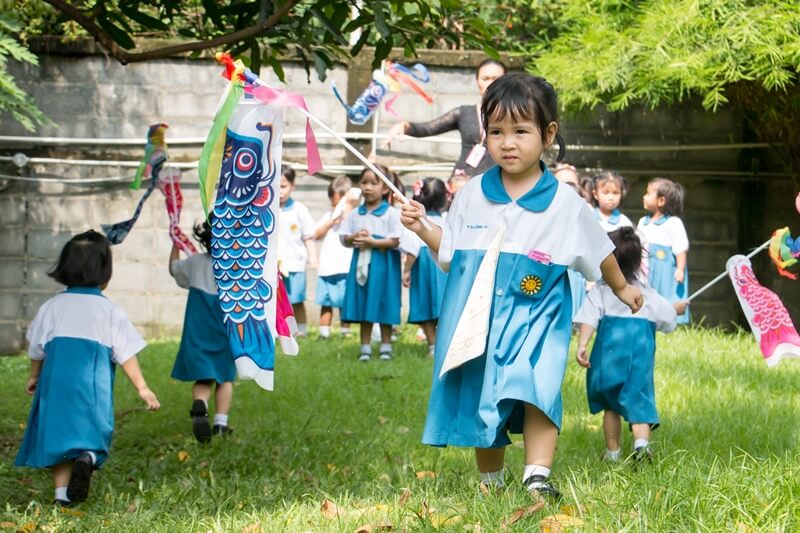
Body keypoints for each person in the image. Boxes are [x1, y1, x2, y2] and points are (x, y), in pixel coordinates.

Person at [399, 73, 643, 499]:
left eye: (520, 131)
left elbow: (598, 249)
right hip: (481, 320)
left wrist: (621, 288)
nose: (507, 143)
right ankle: (490, 481)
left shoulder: (565, 203)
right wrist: (423, 227)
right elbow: (453, 252)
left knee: (537, 388)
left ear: (547, 134)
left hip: (537, 320)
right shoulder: (473, 193)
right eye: (496, 132)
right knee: (483, 392)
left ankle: (537, 474)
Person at [15, 230, 160, 506]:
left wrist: (35, 375)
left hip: (56, 383)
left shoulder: (52, 306)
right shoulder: (110, 311)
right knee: (95, 430)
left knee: (57, 434)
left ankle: (61, 496)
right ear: (106, 273)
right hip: (93, 383)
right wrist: (143, 388)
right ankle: (89, 457)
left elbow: (36, 347)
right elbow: (125, 353)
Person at [574, 227, 688, 461]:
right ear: (638, 262)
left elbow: (588, 318)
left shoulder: (602, 291)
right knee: (640, 401)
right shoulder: (646, 293)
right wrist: (675, 309)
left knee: (611, 406)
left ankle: (613, 452)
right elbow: (667, 320)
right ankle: (642, 446)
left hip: (608, 357)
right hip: (639, 356)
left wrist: (582, 344)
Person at [169, 218, 236, 443]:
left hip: (198, 330)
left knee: (203, 377)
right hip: (225, 329)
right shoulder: (237, 265)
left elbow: (174, 269)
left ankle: (201, 405)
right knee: (225, 377)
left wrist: (175, 244)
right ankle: (220, 423)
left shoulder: (195, 262)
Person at [383, 59, 507, 178]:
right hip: (462, 183)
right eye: (485, 79)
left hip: (498, 185)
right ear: (477, 82)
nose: (490, 83)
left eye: (496, 79)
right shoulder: (464, 113)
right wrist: (404, 126)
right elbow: (427, 129)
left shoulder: (517, 116)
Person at [340, 164, 403, 361]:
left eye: (373, 183)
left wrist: (373, 241)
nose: (367, 187)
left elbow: (395, 239)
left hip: (384, 264)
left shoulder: (391, 213)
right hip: (361, 262)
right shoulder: (355, 214)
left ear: (385, 188)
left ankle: (386, 345)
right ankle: (365, 347)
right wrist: (354, 238)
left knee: (385, 301)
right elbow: (343, 237)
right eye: (364, 182)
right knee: (363, 301)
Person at [401, 178, 448, 356]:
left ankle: (433, 345)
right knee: (444, 304)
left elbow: (412, 249)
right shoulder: (448, 221)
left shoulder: (417, 222)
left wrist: (406, 271)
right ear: (445, 198)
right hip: (443, 267)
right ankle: (445, 343)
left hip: (423, 266)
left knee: (426, 303)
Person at [637, 177, 690, 324]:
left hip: (665, 270)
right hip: (646, 267)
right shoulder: (643, 222)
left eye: (648, 194)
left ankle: (668, 320)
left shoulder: (673, 223)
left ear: (661, 201)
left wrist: (680, 269)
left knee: (665, 295)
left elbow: (681, 249)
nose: (644, 197)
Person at [312, 177, 358, 339]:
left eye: (339, 202)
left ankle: (345, 331)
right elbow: (315, 234)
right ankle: (324, 332)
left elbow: (348, 224)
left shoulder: (353, 215)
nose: (336, 206)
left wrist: (347, 206)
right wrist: (332, 220)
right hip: (326, 268)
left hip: (344, 266)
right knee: (325, 302)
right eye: (334, 203)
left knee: (344, 302)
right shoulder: (328, 216)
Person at [277, 164, 317, 337]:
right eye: (275, 185)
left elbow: (308, 236)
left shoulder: (299, 209)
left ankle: (301, 329)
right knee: (276, 300)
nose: (279, 191)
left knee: (297, 299)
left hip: (295, 263)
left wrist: (314, 258)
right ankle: (279, 330)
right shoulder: (266, 208)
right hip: (274, 265)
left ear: (292, 186)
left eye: (283, 186)